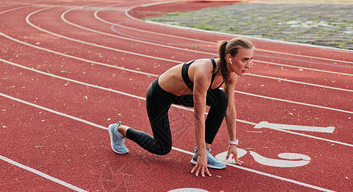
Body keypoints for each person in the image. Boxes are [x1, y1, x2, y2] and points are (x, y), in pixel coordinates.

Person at [108, 37, 254, 177]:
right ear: (229, 57)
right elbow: (198, 116)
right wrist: (202, 154)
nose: (248, 65)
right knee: (161, 148)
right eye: (244, 60)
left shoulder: (230, 73)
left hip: (183, 94)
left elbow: (229, 108)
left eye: (250, 59)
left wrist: (232, 143)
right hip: (160, 95)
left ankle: (202, 151)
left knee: (222, 99)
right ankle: (119, 130)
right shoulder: (204, 72)